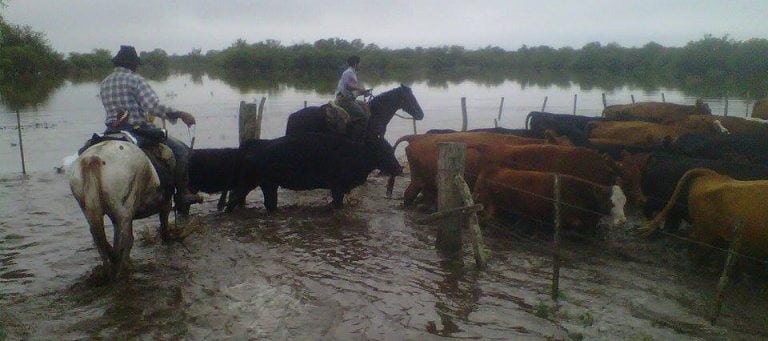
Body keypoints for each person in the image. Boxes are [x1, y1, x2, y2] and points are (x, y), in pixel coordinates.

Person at [99, 45, 202, 207]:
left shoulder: (104, 83)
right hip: (136, 130)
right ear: (133, 64)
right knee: (181, 151)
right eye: (136, 65)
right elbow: (153, 107)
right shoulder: (135, 80)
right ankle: (182, 194)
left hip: (112, 131)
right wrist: (180, 114)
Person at [335, 55, 371, 138]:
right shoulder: (349, 73)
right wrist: (360, 88)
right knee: (363, 116)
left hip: (349, 98)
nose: (360, 65)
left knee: (366, 106)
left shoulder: (352, 73)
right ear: (355, 64)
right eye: (359, 63)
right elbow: (348, 86)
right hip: (345, 100)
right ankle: (356, 137)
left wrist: (364, 92)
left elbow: (352, 90)